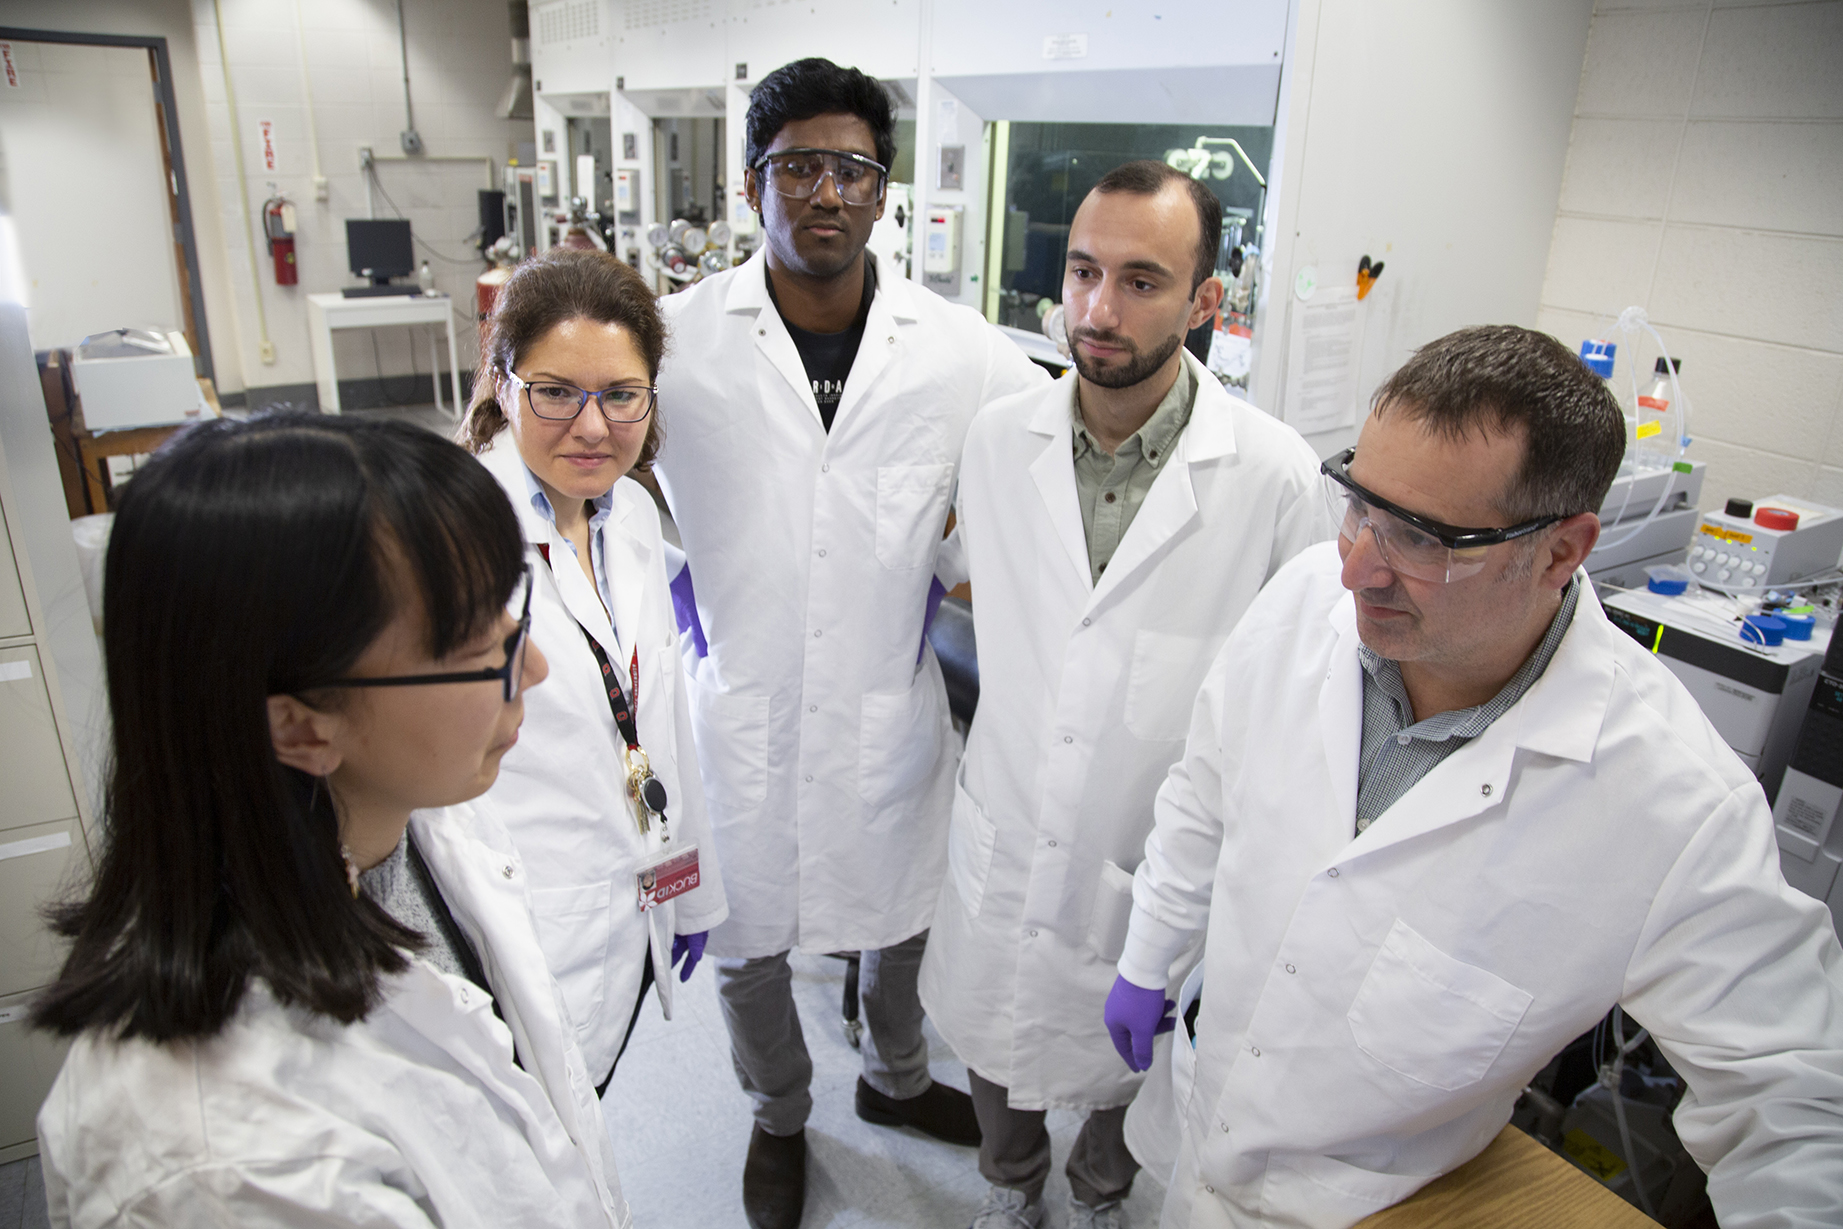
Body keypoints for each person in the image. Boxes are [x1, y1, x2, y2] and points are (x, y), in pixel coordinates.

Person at [1107, 326, 1843, 1229]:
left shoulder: (1671, 800)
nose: (1355, 564)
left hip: (1367, 1202)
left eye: (1420, 536)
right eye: (1358, 502)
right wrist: (1148, 956)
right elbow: (1203, 789)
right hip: (1194, 1106)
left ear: (1561, 551)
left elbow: (1798, 1098)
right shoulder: (1306, 597)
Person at [33, 413, 631, 1227]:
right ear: (300, 725)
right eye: (474, 642)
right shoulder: (230, 1168)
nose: (532, 663)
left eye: (510, 610)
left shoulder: (403, 816)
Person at [651, 55, 1049, 1229]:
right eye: (797, 168)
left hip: (888, 703)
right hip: (739, 706)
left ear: (884, 191)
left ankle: (894, 1077)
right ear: (751, 185)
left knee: (905, 913)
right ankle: (780, 1116)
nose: (824, 193)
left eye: (852, 169)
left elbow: (1015, 498)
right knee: (747, 937)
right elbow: (592, 462)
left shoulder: (963, 350)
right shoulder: (674, 341)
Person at [916, 161, 1326, 1229]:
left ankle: (1099, 1192)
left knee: (1124, 1049)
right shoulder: (1000, 437)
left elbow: (1296, 684)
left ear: (1206, 302)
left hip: (1158, 837)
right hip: (1006, 808)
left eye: (1142, 280)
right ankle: (1008, 1187)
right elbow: (960, 570)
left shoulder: (1274, 476)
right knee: (996, 1029)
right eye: (1083, 270)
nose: (1098, 309)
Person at [461, 248, 727, 1093]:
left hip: (630, 902)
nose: (591, 425)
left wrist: (689, 882)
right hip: (518, 933)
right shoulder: (457, 539)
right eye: (554, 391)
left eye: (620, 395)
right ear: (503, 382)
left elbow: (659, 724)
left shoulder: (635, 513)